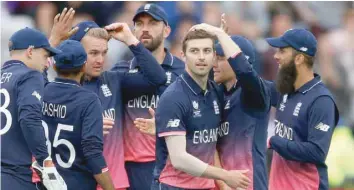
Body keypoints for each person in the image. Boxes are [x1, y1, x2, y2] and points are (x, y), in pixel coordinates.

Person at [49, 19, 167, 189]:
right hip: (77, 181)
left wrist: (130, 40)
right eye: (94, 53)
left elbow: (158, 78)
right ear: (77, 52)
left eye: (104, 53)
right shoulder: (61, 89)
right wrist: (86, 127)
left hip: (115, 182)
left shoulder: (113, 79)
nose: (100, 60)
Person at [151, 29, 251, 190]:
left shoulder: (215, 92)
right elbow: (179, 159)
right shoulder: (173, 97)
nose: (201, 57)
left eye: (206, 51)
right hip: (174, 186)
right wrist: (225, 176)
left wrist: (223, 186)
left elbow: (210, 146)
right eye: (194, 51)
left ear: (214, 57)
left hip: (207, 185)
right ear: (183, 55)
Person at [111, 4, 185, 190]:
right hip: (131, 168)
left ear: (167, 30)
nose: (145, 29)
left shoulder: (183, 71)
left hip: (173, 164)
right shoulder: (121, 70)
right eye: (139, 23)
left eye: (152, 23)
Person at [265, 28, 339, 190]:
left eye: (282, 51)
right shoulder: (284, 90)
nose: (276, 56)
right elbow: (251, 82)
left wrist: (274, 141)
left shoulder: (321, 100)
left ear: (298, 58)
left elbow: (316, 152)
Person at [42, 40, 115, 190]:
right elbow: (93, 153)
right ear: (83, 66)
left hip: (45, 182)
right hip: (77, 182)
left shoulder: (42, 91)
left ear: (54, 65)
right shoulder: (88, 100)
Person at [1, 27, 66, 190]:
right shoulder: (30, 75)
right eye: (45, 56)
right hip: (15, 174)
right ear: (30, 51)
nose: (47, 63)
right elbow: (29, 119)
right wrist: (46, 162)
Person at [212, 34, 276, 190]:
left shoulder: (254, 93)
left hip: (248, 185)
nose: (214, 63)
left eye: (221, 58)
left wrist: (219, 34)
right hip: (221, 184)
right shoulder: (216, 95)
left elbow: (247, 74)